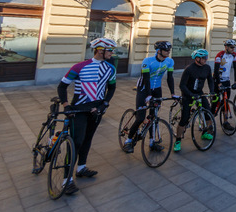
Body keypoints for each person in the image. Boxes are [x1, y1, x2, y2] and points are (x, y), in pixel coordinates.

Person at [56, 38, 118, 194]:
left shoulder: (110, 68)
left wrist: (104, 105)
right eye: (110, 50)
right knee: (76, 142)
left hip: (96, 110)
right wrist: (66, 105)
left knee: (88, 139)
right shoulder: (79, 67)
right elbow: (62, 86)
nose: (112, 53)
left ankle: (81, 168)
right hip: (79, 109)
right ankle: (66, 180)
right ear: (100, 50)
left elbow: (111, 88)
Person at [123, 41, 179, 153]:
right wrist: (148, 95)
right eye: (166, 50)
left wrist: (173, 93)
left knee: (154, 118)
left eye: (169, 50)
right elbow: (146, 79)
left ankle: (152, 142)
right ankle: (128, 141)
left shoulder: (170, 61)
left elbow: (170, 78)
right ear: (158, 51)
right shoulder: (147, 61)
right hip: (144, 89)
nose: (168, 52)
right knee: (140, 118)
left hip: (157, 89)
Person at [175, 49, 214, 152]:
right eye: (204, 58)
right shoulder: (189, 69)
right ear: (197, 58)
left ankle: (205, 133)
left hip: (199, 93)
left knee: (208, 112)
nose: (206, 59)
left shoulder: (207, 68)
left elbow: (210, 81)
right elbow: (182, 85)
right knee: (185, 118)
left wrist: (212, 92)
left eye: (206, 57)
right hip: (188, 94)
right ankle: (178, 140)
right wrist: (191, 95)